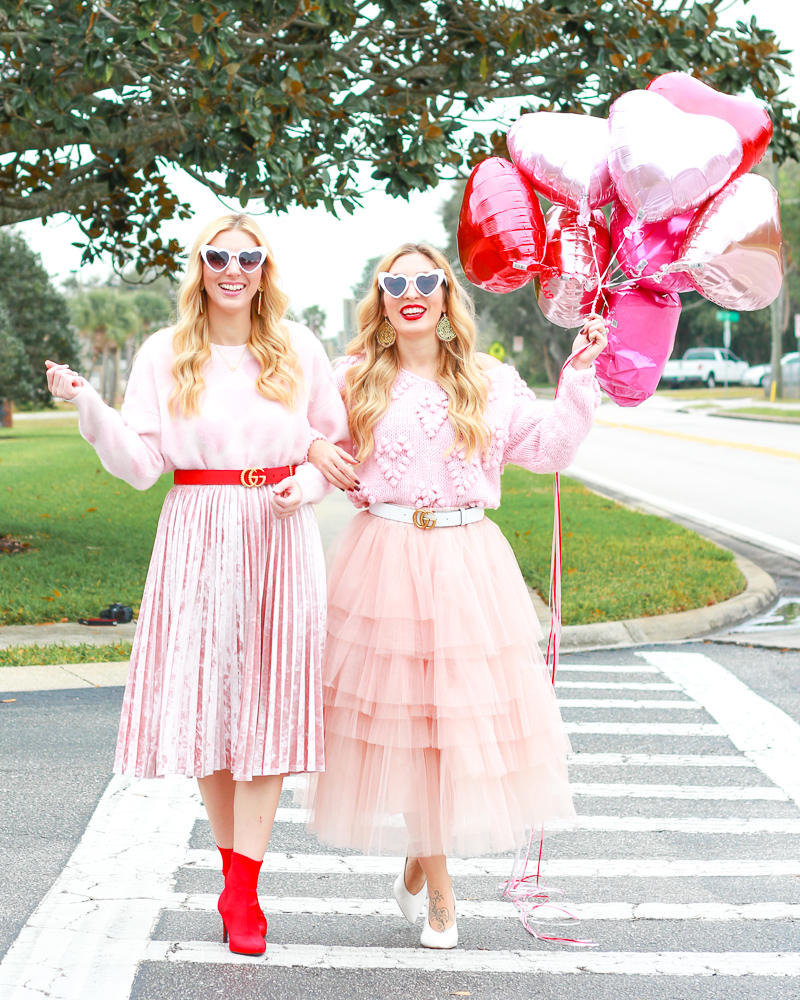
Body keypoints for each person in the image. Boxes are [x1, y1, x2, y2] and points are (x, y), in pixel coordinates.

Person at [45, 213, 349, 957]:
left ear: (265, 268)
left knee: (270, 706)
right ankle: (235, 884)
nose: (233, 269)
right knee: (215, 709)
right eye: (220, 256)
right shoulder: (164, 351)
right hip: (197, 527)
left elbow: (334, 444)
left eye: (249, 257)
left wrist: (304, 487)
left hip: (277, 531)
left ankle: (246, 884)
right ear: (203, 265)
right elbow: (142, 465)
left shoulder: (298, 345)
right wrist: (89, 404)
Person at [305, 242, 606, 949]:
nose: (411, 291)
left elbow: (553, 448)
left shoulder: (488, 381)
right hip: (384, 561)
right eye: (395, 281)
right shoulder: (352, 379)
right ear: (380, 298)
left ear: (446, 295)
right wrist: (314, 451)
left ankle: (419, 860)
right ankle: (442, 895)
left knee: (451, 738)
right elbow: (307, 436)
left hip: (469, 566)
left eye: (426, 280)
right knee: (411, 737)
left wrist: (580, 374)